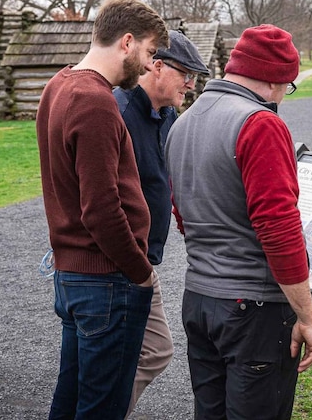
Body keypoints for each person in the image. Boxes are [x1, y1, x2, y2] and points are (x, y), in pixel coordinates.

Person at [165, 24, 312, 420]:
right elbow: (278, 227)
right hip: (253, 307)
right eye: (288, 85)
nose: (284, 96)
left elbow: (182, 212)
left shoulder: (183, 122)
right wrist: (306, 315)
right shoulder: (260, 123)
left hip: (199, 297)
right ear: (274, 79)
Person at [36, 0, 169, 419]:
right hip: (106, 282)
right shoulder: (95, 101)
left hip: (75, 276)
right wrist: (140, 271)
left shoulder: (59, 85)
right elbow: (101, 208)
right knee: (102, 409)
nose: (152, 65)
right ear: (126, 42)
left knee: (72, 400)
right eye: (150, 52)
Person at [112, 30, 210, 414]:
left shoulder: (168, 116)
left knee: (149, 351)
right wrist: (132, 264)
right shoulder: (117, 113)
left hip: (140, 261)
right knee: (149, 351)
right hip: (118, 263)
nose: (192, 83)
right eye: (186, 73)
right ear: (155, 65)